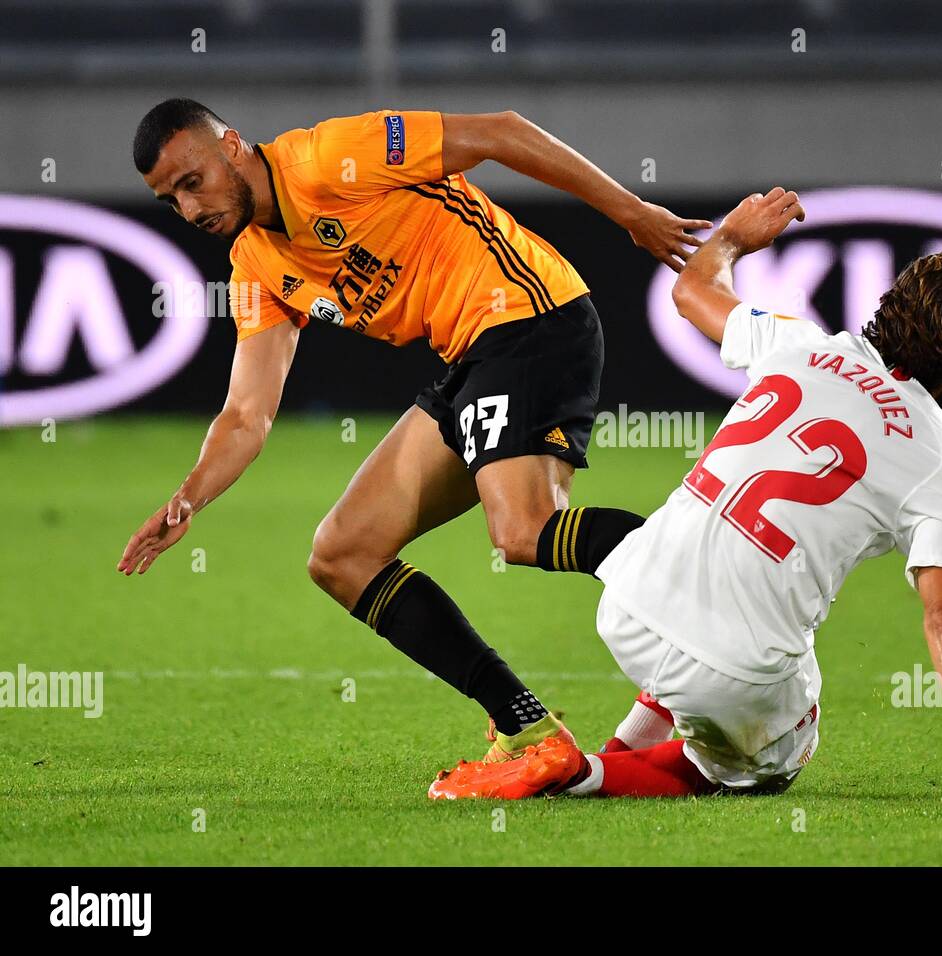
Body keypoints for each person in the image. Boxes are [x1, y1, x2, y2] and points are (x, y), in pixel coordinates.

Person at [430, 188, 942, 804]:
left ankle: (607, 752)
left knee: (710, 619)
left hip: (626, 605)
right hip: (731, 669)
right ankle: (579, 773)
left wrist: (732, 236)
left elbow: (691, 291)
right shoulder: (941, 459)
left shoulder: (800, 345)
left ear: (888, 306)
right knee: (776, 754)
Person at [119, 99, 707, 760]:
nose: (190, 210)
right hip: (471, 357)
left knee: (522, 529)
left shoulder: (329, 157)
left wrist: (634, 214)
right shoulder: (255, 265)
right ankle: (527, 725)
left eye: (191, 182)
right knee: (342, 554)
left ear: (229, 146)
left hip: (529, 316)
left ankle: (715, 573)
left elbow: (500, 132)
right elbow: (246, 414)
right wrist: (189, 496)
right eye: (171, 201)